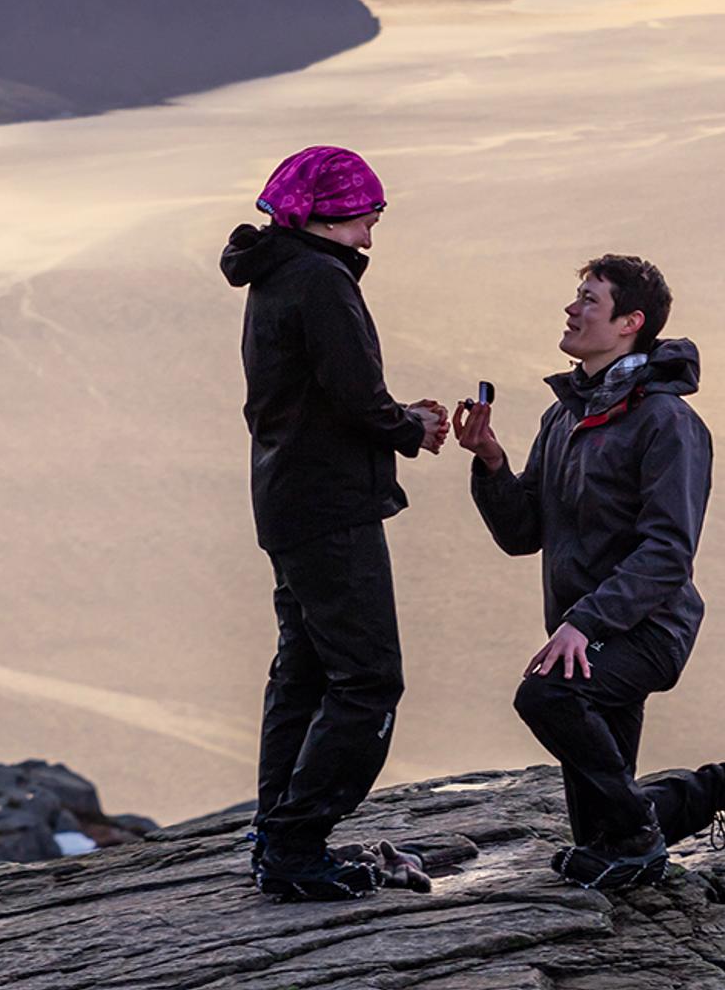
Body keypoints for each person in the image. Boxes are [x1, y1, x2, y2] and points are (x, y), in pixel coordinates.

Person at [453, 254, 725, 890]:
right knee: (600, 837)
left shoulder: (668, 422)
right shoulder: (565, 417)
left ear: (630, 322)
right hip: (584, 635)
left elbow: (668, 552)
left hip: (644, 629)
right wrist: (492, 463)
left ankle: (648, 830)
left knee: (546, 696)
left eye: (588, 299)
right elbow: (522, 533)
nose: (571, 308)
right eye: (575, 296)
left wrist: (586, 621)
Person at [220, 145, 449, 901]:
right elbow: (355, 394)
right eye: (364, 221)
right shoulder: (320, 280)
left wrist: (392, 421)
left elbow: (320, 395)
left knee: (304, 671)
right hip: (329, 507)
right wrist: (409, 425)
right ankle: (294, 842)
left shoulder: (278, 272)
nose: (369, 240)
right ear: (326, 213)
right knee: (368, 678)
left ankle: (275, 834)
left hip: (287, 500)